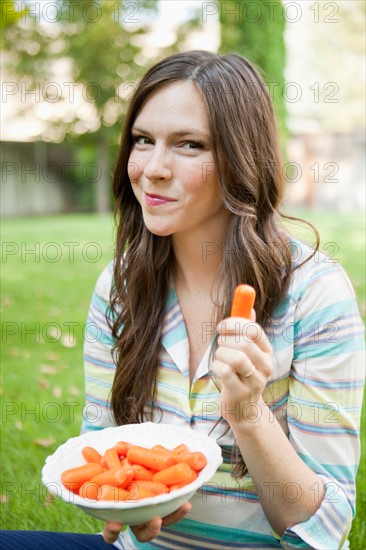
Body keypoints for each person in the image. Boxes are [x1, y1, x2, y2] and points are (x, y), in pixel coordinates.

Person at [1, 50, 364, 550]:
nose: (152, 169)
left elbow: (321, 529)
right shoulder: (121, 286)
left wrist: (248, 412)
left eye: (189, 145)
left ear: (241, 158)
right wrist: (121, 506)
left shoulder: (316, 294)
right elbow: (104, 455)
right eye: (143, 141)